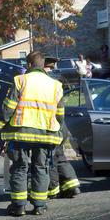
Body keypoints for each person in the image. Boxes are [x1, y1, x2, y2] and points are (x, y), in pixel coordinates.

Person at [0, 51, 65, 216]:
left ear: (29, 65)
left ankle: (19, 206)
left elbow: (8, 107)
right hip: (46, 134)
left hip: (21, 133)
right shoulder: (56, 85)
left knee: (20, 168)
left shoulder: (20, 80)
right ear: (42, 65)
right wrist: (56, 127)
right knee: (41, 167)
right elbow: (60, 113)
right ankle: (39, 205)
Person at [43, 56, 80, 199]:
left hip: (53, 125)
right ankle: (72, 186)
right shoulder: (58, 79)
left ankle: (53, 190)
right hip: (62, 126)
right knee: (60, 156)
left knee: (49, 158)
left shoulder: (45, 82)